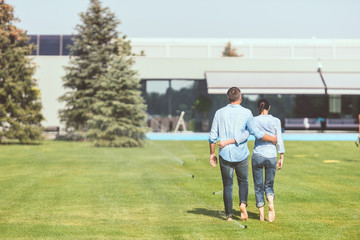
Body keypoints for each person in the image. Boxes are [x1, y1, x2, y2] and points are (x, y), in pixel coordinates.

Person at [209, 87, 277, 222]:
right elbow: (256, 133)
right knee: (243, 182)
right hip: (241, 154)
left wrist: (212, 154)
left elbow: (212, 137)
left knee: (227, 185)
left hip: (225, 154)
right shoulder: (247, 113)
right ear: (240, 98)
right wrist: (272, 139)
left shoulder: (219, 113)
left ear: (228, 99)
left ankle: (228, 216)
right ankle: (242, 204)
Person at [219, 98, 285, 222]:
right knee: (269, 185)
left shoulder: (253, 120)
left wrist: (229, 141)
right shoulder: (276, 120)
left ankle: (261, 216)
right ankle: (270, 202)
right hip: (271, 156)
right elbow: (279, 138)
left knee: (258, 186)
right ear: (269, 107)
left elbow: (248, 133)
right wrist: (281, 156)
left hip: (258, 155)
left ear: (258, 108)